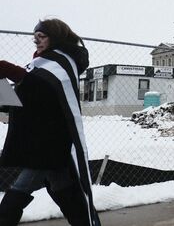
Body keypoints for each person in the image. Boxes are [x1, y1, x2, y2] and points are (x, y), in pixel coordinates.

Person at [0, 19, 101, 225]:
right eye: (34, 38)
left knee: (18, 191)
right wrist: (3, 92)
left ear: (55, 37)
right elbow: (27, 99)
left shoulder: (63, 62)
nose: (37, 41)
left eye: (42, 37)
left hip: (49, 142)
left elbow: (38, 87)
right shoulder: (40, 63)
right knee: (63, 188)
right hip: (44, 140)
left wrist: (8, 70)